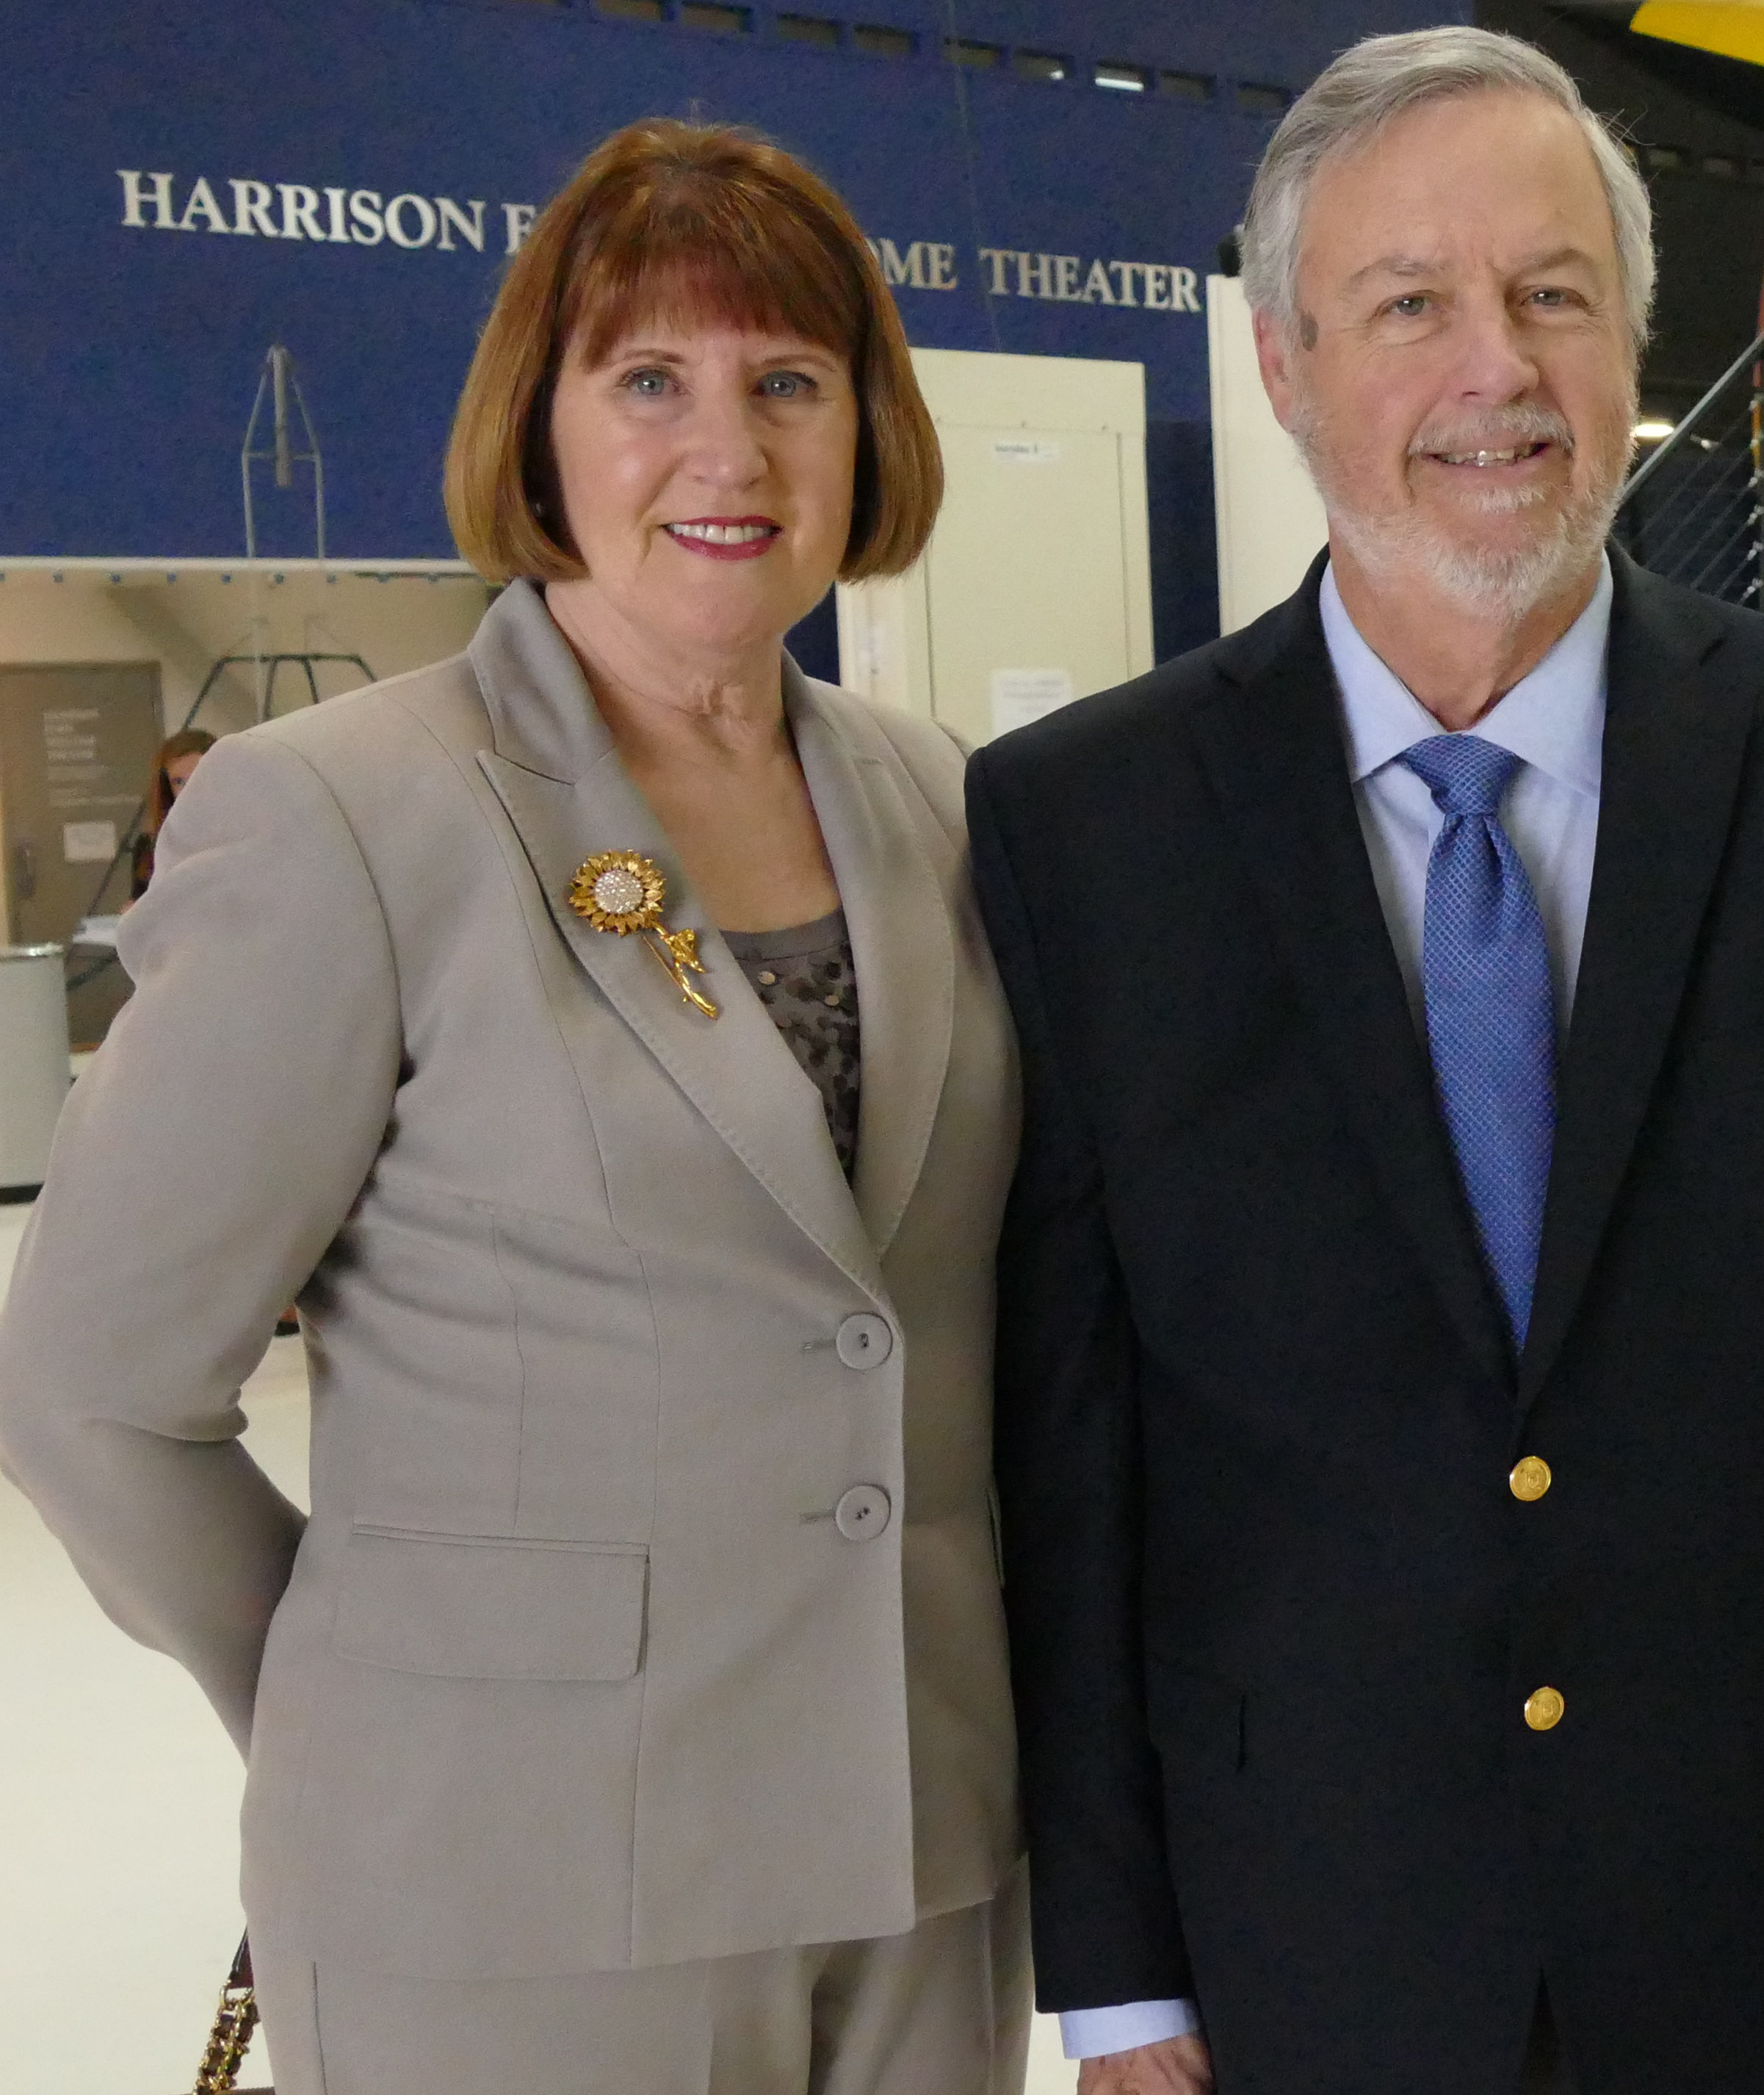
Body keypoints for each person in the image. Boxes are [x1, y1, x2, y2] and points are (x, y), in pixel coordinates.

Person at [967, 28, 1764, 2095]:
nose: (1493, 370)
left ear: (1633, 337)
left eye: (1552, 296)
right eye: (1407, 305)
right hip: (1303, 1940)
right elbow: (1076, 1454)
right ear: (1280, 363)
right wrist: (1119, 1975)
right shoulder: (1087, 827)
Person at [0, 120, 1029, 2094]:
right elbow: (88, 1390)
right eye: (649, 380)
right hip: (509, 1883)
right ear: (540, 430)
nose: (726, 451)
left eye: (787, 384)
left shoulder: (942, 800)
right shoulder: (350, 813)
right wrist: (364, 1679)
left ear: (866, 435)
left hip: (918, 1861)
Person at [131, 726, 214, 898]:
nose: (189, 790)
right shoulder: (150, 844)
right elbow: (140, 903)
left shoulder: (243, 836)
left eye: (199, 776)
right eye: (178, 782)